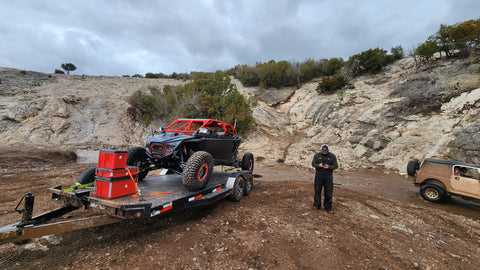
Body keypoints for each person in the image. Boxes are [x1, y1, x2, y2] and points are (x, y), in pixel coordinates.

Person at [311, 144, 338, 212]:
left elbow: (335, 166)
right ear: (321, 150)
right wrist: (318, 165)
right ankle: (317, 205)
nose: (324, 153)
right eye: (323, 151)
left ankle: (328, 207)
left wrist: (329, 167)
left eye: (326, 151)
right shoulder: (317, 155)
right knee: (317, 191)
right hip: (319, 176)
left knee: (328, 192)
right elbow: (313, 164)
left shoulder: (332, 156)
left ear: (328, 150)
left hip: (328, 177)